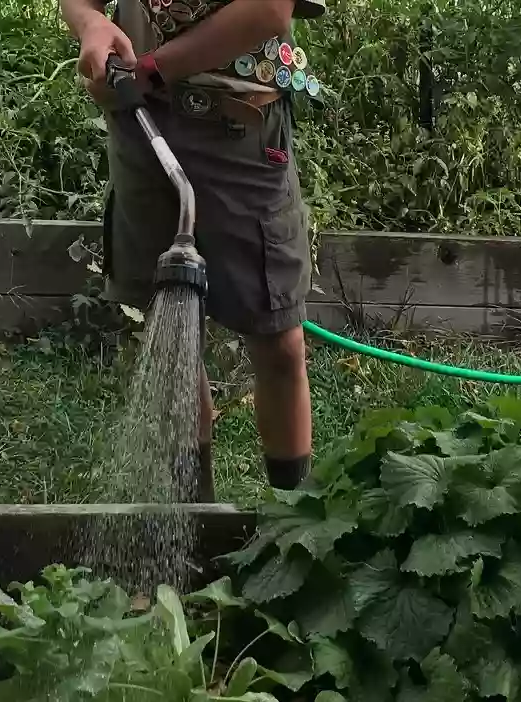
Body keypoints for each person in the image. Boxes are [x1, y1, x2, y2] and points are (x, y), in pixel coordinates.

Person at [58, 0, 325, 497]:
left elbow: (268, 10)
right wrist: (92, 23)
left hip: (241, 124)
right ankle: (192, 524)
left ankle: (295, 525)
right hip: (140, 123)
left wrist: (156, 69)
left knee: (279, 340)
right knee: (171, 331)